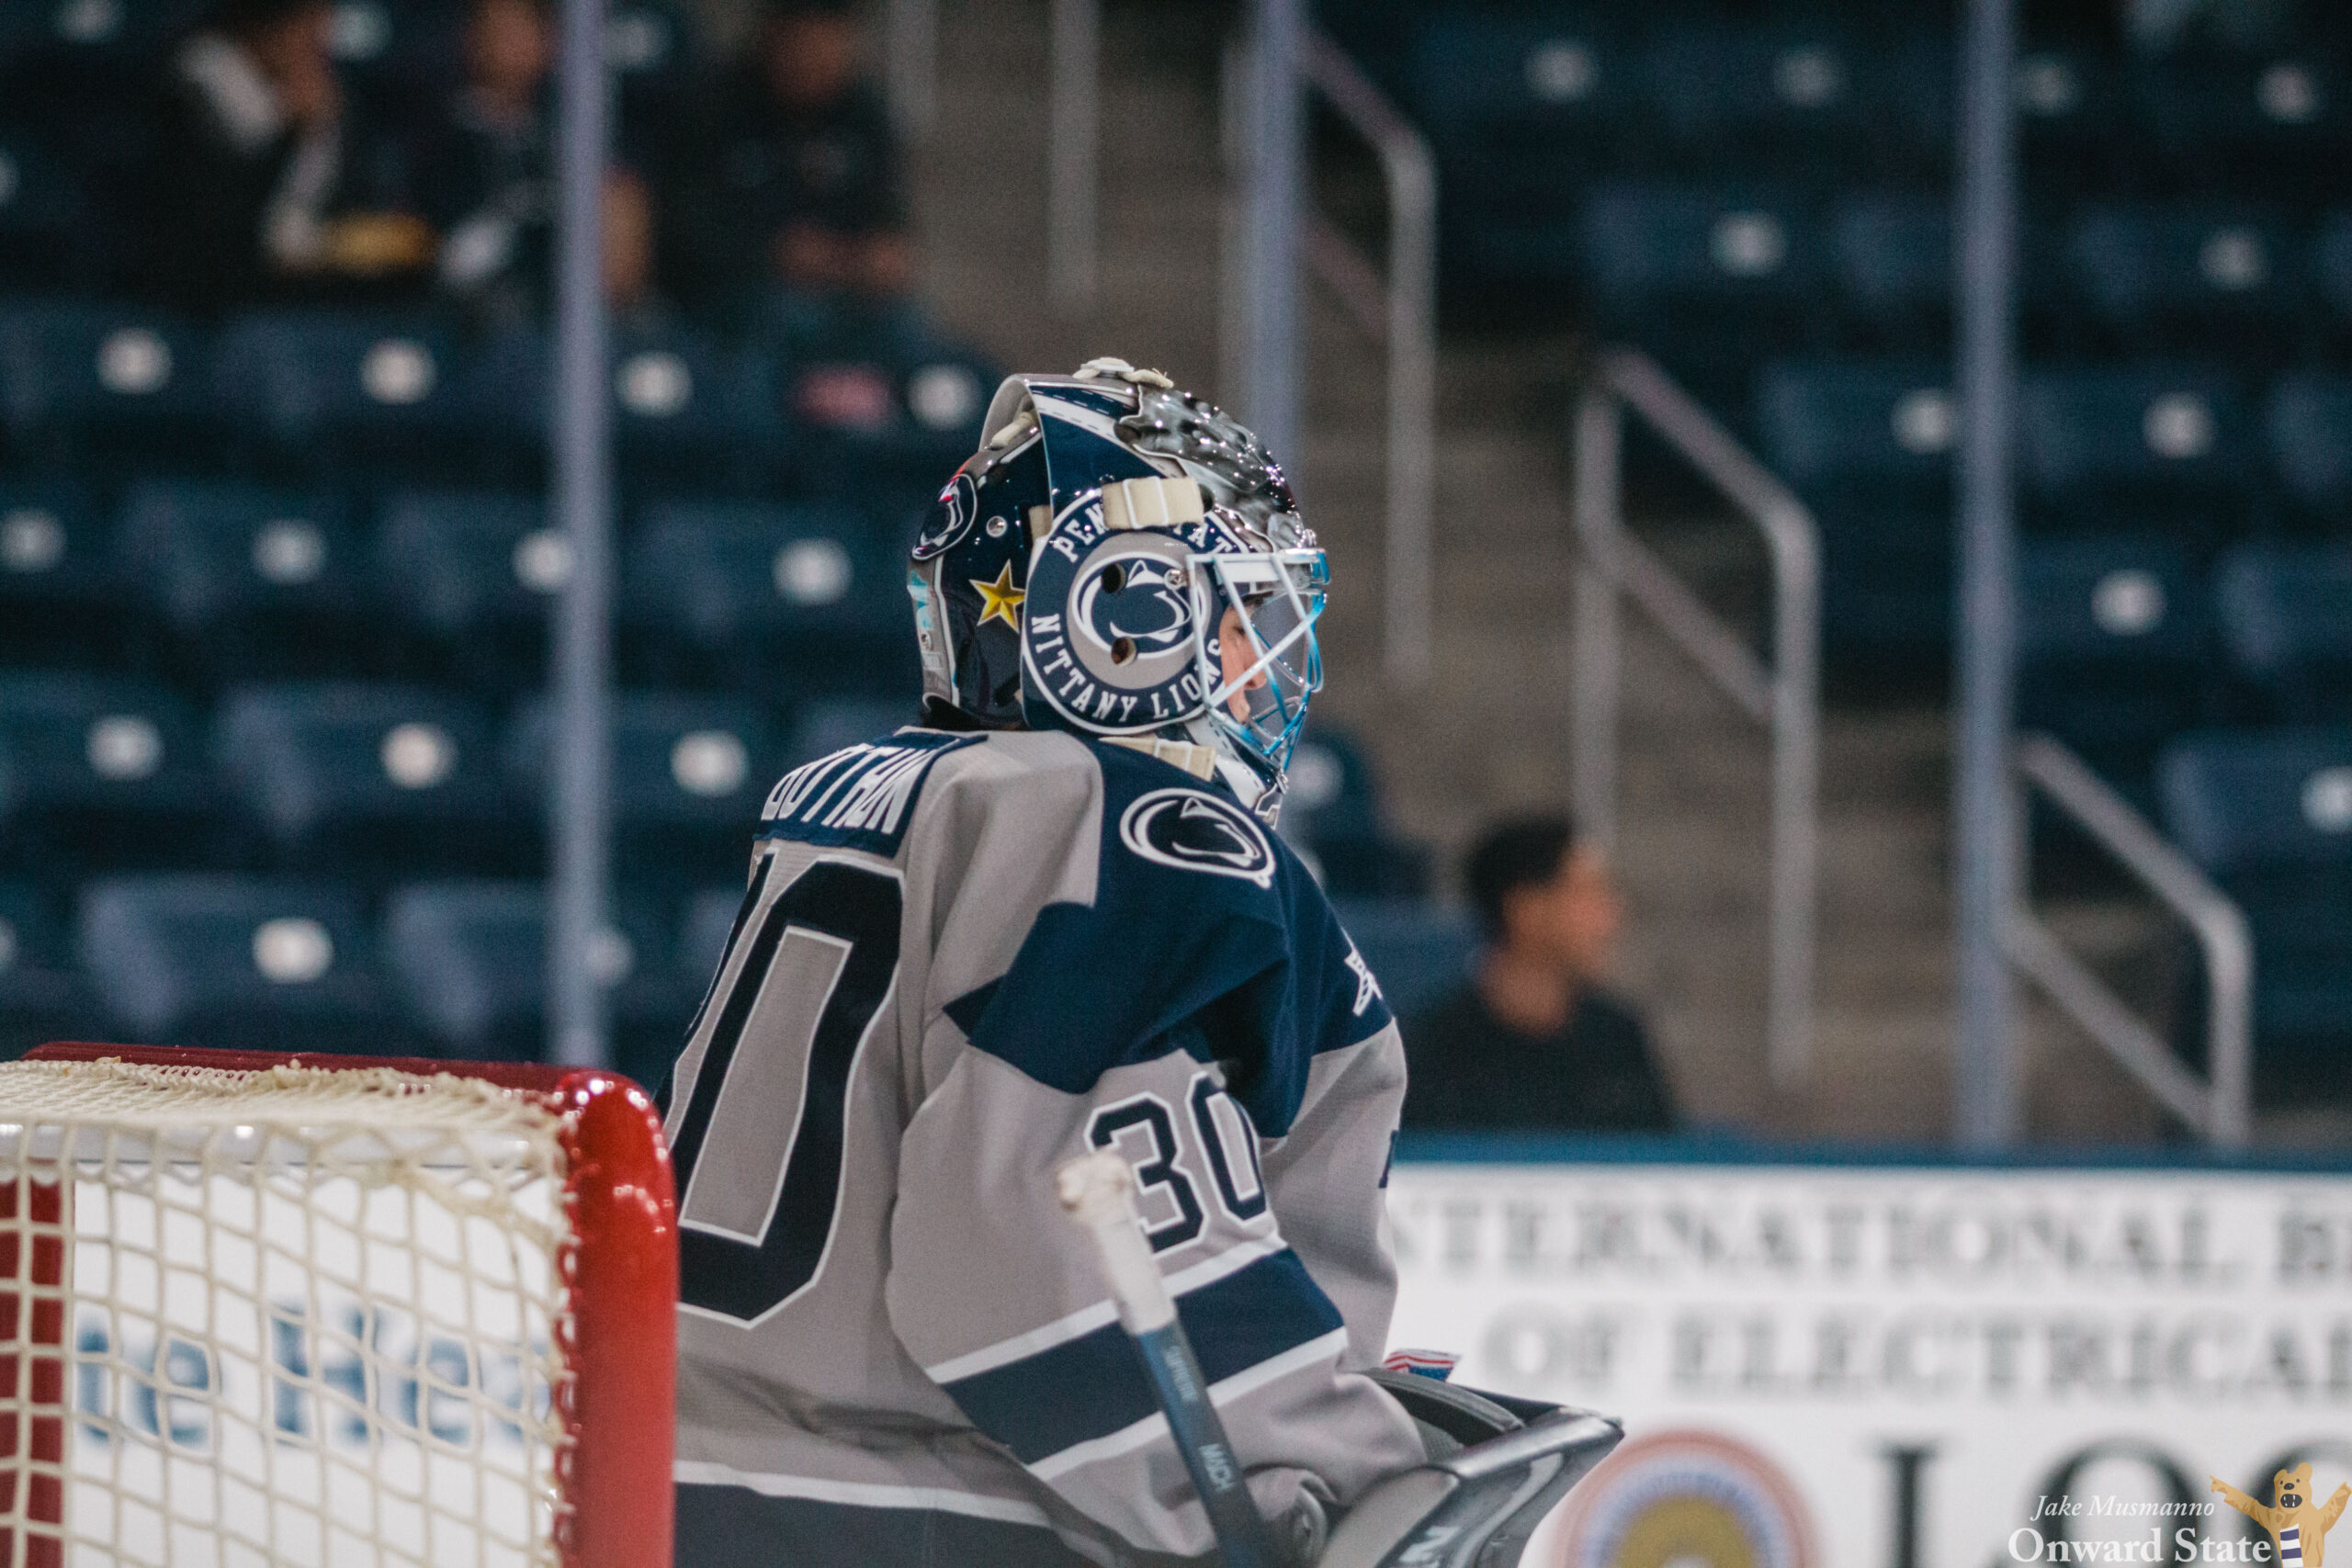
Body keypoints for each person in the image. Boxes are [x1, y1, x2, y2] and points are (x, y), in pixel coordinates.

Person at [662, 358, 1423, 1567]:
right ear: (1121, 618)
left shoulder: (854, 791)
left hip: (681, 1487)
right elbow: (1042, 1241)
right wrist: (1329, 1481)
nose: (1256, 658)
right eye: (1228, 610)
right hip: (914, 1512)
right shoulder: (1125, 825)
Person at [147, 0, 433, 311]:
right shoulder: (197, 86)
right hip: (214, 300)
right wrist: (289, 133)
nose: (319, 40)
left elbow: (342, 206)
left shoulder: (326, 91)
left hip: (308, 290)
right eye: (306, 26)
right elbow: (214, 231)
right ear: (267, 28)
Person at [1402, 816, 1677, 1133]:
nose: (1612, 916)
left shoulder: (1618, 1039)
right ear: (1525, 909)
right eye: (1588, 894)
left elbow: (1658, 1164)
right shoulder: (1431, 1048)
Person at [413, 0, 657, 327]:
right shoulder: (439, 138)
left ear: (549, 41)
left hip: (571, 306)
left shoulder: (575, 133)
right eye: (498, 32)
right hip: (473, 318)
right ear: (472, 39)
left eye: (522, 30)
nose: (510, 46)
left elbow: (621, 228)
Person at [663, 0, 912, 316]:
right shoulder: (715, 107)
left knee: (932, 352)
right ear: (773, 36)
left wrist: (878, 255)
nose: (815, 58)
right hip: (741, 302)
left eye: (829, 42)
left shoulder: (865, 115)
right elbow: (685, 228)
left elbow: (888, 222)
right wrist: (772, 252)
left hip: (851, 301)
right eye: (804, 42)